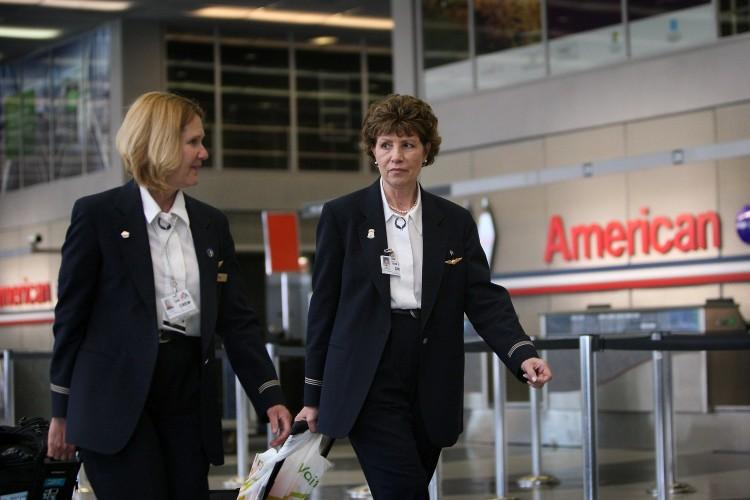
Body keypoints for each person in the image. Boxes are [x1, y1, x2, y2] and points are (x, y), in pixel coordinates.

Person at [295, 94, 552, 499]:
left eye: (408, 144)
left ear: (426, 151)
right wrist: (312, 394)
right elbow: (323, 306)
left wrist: (521, 352)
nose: (396, 155)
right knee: (404, 492)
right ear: (373, 152)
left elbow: (482, 297)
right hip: (368, 374)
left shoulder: (453, 222)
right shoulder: (343, 216)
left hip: (432, 373)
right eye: (386, 145)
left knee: (410, 484)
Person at [46, 91, 292, 500]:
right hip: (114, 401)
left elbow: (238, 321)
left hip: (187, 397)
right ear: (160, 143)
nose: (203, 152)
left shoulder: (211, 224)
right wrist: (60, 411)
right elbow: (70, 317)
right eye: (193, 142)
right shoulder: (97, 216)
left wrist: (270, 395)